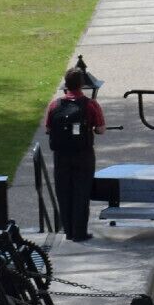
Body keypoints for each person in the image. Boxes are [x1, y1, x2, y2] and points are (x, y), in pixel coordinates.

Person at [41, 70, 105, 242]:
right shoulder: (90, 104)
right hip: (83, 155)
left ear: (66, 84)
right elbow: (100, 129)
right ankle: (79, 232)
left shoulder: (55, 105)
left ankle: (68, 231)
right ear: (82, 85)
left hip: (61, 155)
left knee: (64, 192)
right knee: (81, 192)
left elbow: (48, 129)